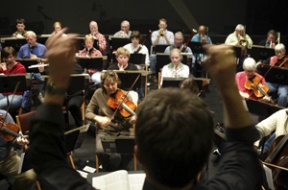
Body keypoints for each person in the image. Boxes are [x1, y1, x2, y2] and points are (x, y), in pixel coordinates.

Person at [86, 70, 136, 171]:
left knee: (131, 150)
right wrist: (98, 118)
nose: (110, 88)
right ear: (103, 85)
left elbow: (129, 119)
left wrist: (132, 120)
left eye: (113, 84)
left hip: (124, 130)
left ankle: (123, 167)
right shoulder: (98, 94)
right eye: (107, 85)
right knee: (100, 151)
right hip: (106, 131)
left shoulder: (125, 95)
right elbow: (88, 112)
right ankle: (107, 167)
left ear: (117, 82)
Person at [0, 109, 36, 190]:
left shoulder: (3, 115)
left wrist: (18, 142)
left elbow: (14, 139)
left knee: (30, 176)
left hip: (5, 158)